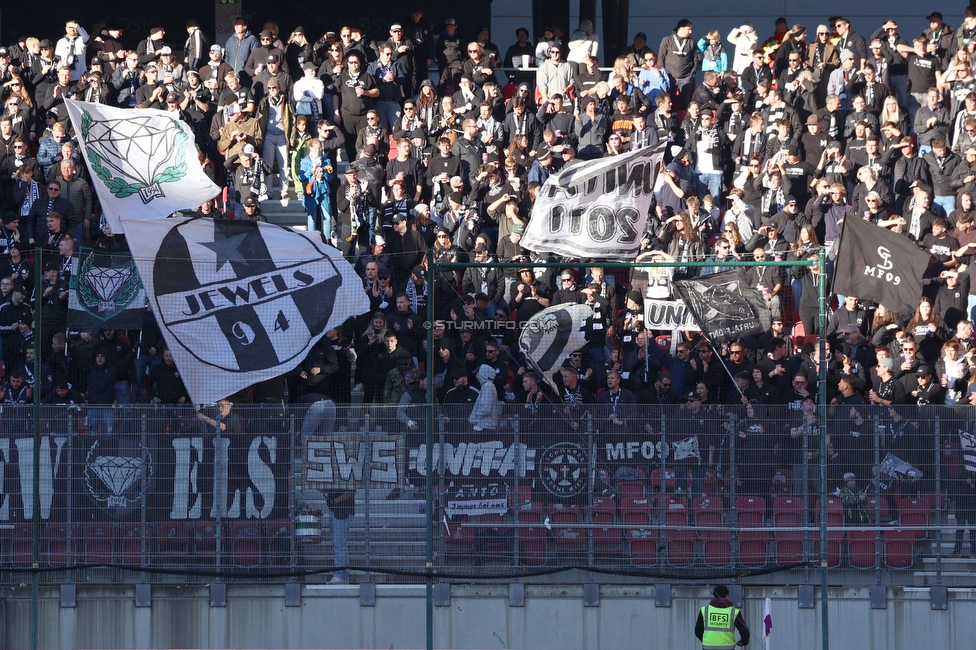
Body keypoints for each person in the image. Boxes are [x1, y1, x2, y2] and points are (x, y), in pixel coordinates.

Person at [695, 585, 750, 649]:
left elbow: (697, 631)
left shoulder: (704, 610)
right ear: (726, 596)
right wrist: (743, 642)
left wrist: (706, 641)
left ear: (714, 596)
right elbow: (745, 631)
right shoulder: (734, 612)